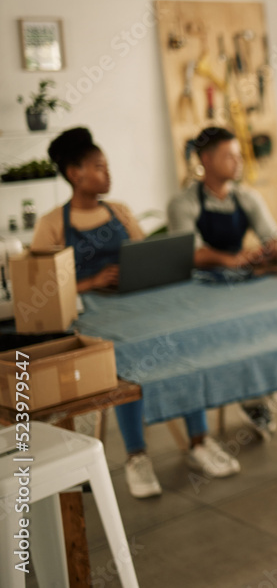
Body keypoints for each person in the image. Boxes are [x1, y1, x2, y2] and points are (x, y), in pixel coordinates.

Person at [33, 127, 241, 499]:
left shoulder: (121, 212)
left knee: (183, 349)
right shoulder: (51, 225)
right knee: (128, 362)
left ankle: (199, 441)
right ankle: (136, 457)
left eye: (107, 165)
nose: (107, 174)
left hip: (138, 308)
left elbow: (149, 259)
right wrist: (91, 280)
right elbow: (40, 289)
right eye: (98, 167)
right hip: (95, 320)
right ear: (74, 173)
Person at [167, 126, 277, 438]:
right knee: (230, 333)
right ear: (206, 159)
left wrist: (274, 247)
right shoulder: (183, 203)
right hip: (201, 287)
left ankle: (261, 387)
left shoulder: (247, 197)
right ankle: (252, 395)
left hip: (240, 283)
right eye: (229, 156)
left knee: (274, 319)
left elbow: (274, 236)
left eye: (238, 155)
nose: (238, 162)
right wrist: (229, 259)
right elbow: (190, 253)